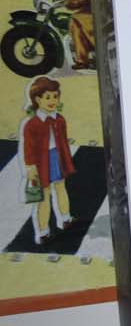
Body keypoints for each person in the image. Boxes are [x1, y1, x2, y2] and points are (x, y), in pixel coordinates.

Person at [20, 76, 75, 244]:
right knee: (44, 196)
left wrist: (67, 159)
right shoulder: (32, 124)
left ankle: (65, 218)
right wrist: (30, 167)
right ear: (37, 99)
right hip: (41, 162)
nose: (52, 101)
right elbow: (28, 147)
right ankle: (43, 230)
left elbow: (63, 142)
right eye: (47, 97)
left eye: (55, 96)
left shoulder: (59, 119)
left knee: (61, 188)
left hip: (57, 157)